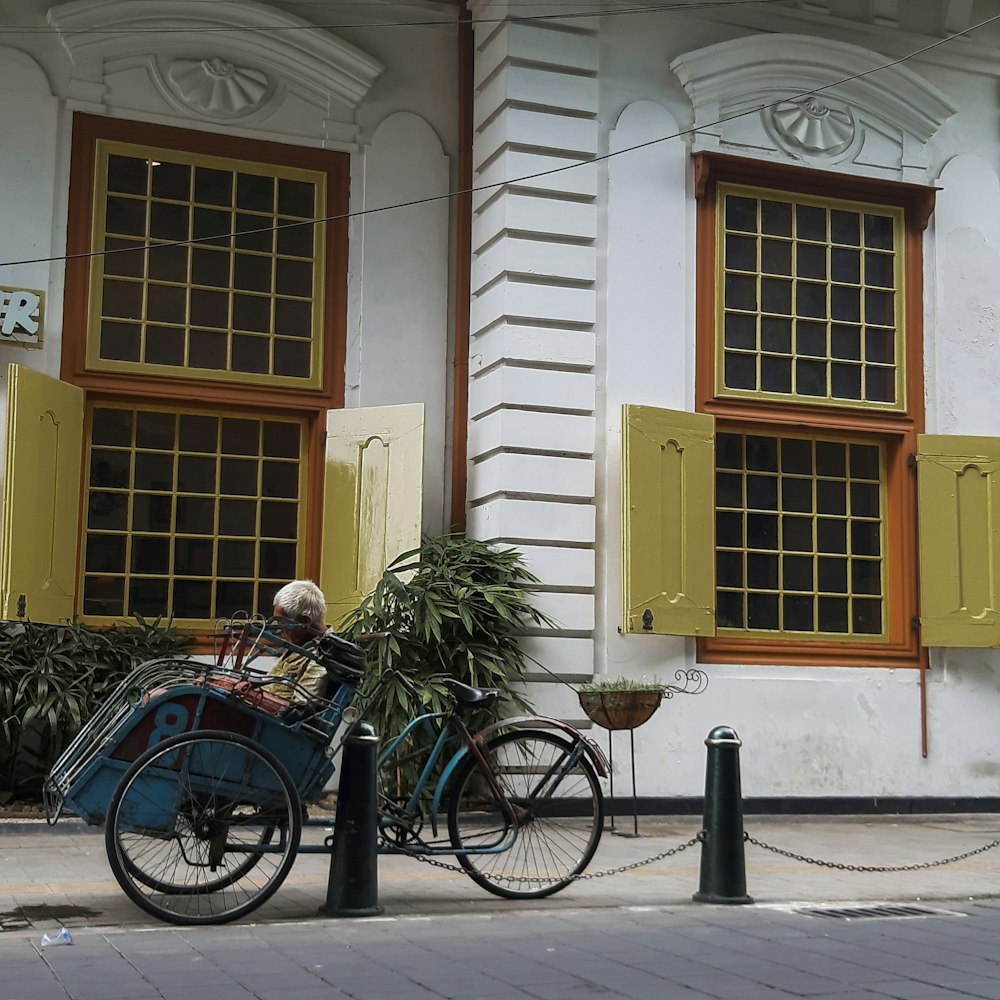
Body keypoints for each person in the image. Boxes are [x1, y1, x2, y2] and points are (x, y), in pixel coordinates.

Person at [263, 579, 331, 702]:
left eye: (282, 624)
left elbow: (298, 709)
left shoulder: (325, 654)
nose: (279, 630)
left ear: (304, 621)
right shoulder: (299, 645)